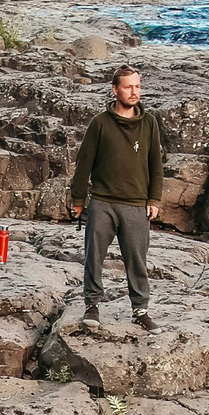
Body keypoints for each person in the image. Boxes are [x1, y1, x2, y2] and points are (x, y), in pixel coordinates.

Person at [68, 67, 165, 330]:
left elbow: (156, 164)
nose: (134, 92)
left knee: (137, 260)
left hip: (136, 204)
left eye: (137, 86)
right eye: (128, 87)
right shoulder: (100, 123)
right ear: (115, 90)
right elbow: (84, 163)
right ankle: (92, 305)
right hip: (102, 202)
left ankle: (140, 310)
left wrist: (154, 199)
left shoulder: (149, 123)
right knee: (94, 257)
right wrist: (78, 200)